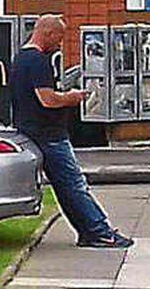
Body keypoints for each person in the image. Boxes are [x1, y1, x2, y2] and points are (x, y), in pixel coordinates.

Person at [9, 14, 133, 248]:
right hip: (49, 134)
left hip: (32, 130)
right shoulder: (38, 61)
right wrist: (72, 97)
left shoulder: (20, 59)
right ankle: (99, 232)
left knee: (64, 187)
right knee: (74, 184)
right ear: (47, 33)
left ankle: (88, 231)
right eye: (59, 37)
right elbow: (47, 99)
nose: (60, 43)